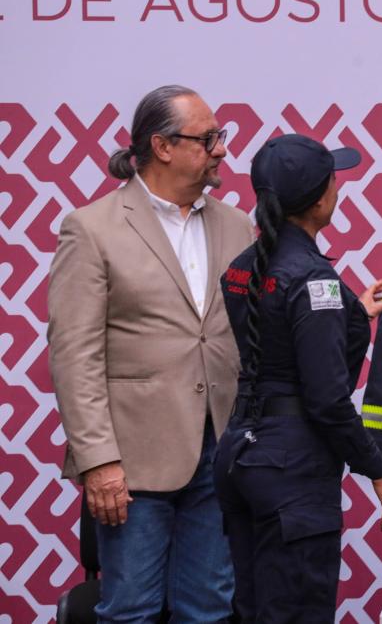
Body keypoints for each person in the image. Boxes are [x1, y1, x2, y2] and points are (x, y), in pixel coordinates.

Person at [47, 85, 254, 621]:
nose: (222, 150)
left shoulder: (235, 224)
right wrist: (99, 462)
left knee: (209, 609)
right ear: (162, 146)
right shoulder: (91, 228)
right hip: (131, 465)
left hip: (221, 452)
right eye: (209, 138)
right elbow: (75, 356)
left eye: (221, 137)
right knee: (131, 611)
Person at [213, 134, 382, 622]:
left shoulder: (240, 269)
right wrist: (379, 473)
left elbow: (279, 345)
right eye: (334, 180)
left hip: (240, 457)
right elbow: (327, 400)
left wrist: (349, 312)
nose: (337, 187)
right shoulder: (313, 280)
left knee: (251, 611)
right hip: (291, 472)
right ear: (320, 199)